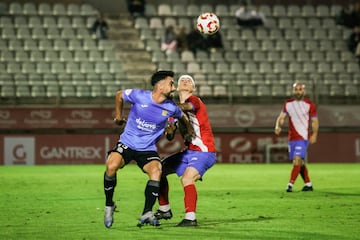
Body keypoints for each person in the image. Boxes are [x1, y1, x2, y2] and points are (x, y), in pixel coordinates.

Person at [103, 70, 195, 228]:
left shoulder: (171, 107)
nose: (173, 87)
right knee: (111, 166)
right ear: (160, 86)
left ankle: (147, 212)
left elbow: (183, 117)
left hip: (147, 148)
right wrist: (118, 117)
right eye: (171, 83)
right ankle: (109, 205)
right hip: (128, 143)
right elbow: (119, 95)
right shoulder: (140, 96)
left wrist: (187, 132)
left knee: (157, 171)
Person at [154, 74, 217, 227]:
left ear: (193, 88)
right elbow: (169, 136)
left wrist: (163, 106)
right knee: (158, 170)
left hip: (204, 151)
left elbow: (186, 108)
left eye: (189, 80)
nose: (185, 80)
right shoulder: (174, 110)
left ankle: (190, 218)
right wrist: (169, 130)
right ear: (176, 87)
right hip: (189, 151)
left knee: (187, 179)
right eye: (182, 79)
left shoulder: (194, 100)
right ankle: (164, 209)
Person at [274, 82, 319, 193]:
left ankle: (290, 184)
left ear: (304, 91)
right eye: (296, 89)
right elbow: (281, 117)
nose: (298, 91)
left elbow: (314, 121)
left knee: (297, 160)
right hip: (292, 139)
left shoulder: (309, 104)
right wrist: (278, 126)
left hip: (303, 138)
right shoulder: (288, 104)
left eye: (300, 89)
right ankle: (308, 184)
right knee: (300, 162)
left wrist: (314, 134)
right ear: (293, 91)